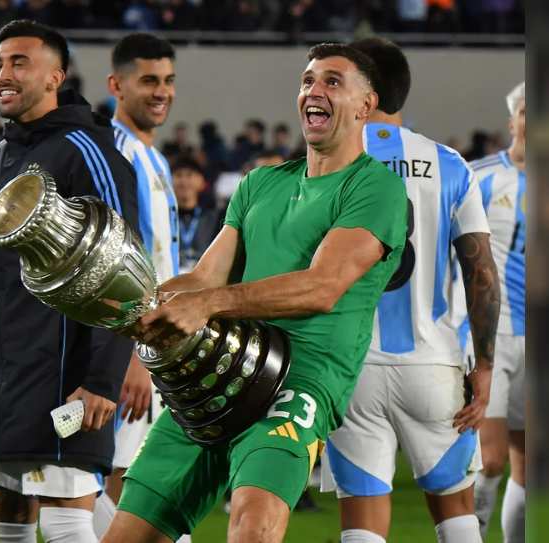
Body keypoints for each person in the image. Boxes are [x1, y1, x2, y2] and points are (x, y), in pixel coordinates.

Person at [100, 43, 408, 543]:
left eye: (333, 81)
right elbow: (204, 278)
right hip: (216, 371)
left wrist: (207, 305)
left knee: (253, 523)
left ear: (366, 106)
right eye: (308, 80)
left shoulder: (376, 187)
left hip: (299, 383)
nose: (314, 90)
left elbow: (323, 287)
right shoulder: (260, 184)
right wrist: (128, 303)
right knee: (126, 535)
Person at [0, 20, 140, 543]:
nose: (3, 73)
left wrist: (102, 380)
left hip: (64, 371)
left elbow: (124, 271)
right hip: (7, 374)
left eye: (20, 62)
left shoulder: (86, 151)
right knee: (7, 503)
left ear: (56, 77)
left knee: (66, 510)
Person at [318, 37, 499, 543]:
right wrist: (484, 368)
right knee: (456, 512)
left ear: (364, 93)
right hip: (435, 366)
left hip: (350, 368)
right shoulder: (449, 164)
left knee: (362, 517)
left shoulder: (328, 162)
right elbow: (480, 272)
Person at [93, 33, 187, 542]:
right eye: (148, 80)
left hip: (162, 349)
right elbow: (115, 264)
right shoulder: (115, 155)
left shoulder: (153, 156)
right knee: (122, 481)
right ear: (116, 85)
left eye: (168, 81)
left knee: (154, 487)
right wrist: (132, 352)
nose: (161, 92)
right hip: (137, 351)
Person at [465, 80, 526, 542]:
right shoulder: (479, 176)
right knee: (491, 459)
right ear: (513, 121)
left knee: (528, 465)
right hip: (492, 336)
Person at [171, 156, 224, 275]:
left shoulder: (215, 219)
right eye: (178, 175)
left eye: (189, 175)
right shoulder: (163, 219)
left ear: (202, 181)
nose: (184, 181)